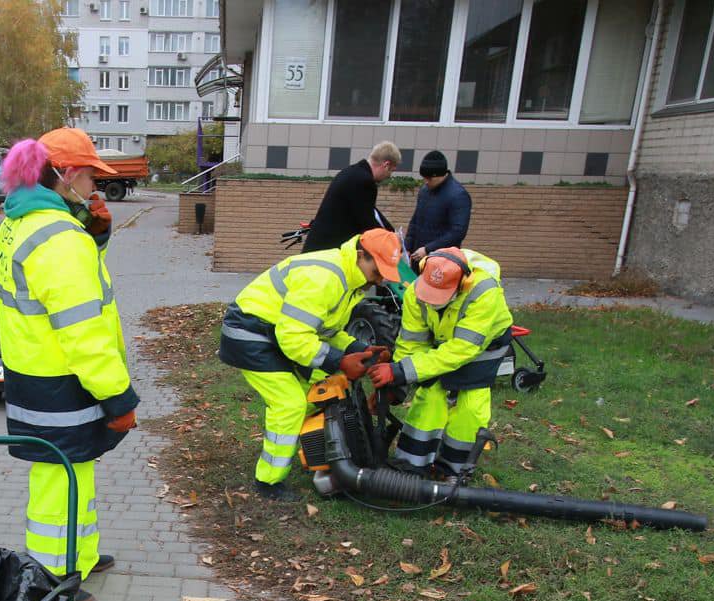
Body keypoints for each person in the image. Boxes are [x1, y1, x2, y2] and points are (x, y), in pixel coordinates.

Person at [0, 128, 138, 601]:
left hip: (34, 369)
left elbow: (56, 287)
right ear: (68, 174)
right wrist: (117, 396)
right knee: (59, 479)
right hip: (65, 376)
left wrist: (95, 234)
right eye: (92, 176)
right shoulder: (59, 238)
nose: (95, 187)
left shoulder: (21, 220)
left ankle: (80, 555)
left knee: (76, 470)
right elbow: (83, 330)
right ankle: (51, 580)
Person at [218, 229, 403, 501]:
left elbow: (325, 329)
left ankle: (317, 453)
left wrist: (358, 349)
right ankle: (268, 482)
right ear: (361, 256)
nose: (381, 278)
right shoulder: (325, 278)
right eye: (378, 270)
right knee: (289, 403)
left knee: (316, 390)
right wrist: (339, 360)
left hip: (274, 333)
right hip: (250, 334)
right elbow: (293, 336)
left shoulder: (350, 282)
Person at [367, 246, 512, 481]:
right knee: (430, 395)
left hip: (483, 347)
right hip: (443, 342)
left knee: (470, 405)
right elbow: (411, 343)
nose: (432, 302)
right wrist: (397, 384)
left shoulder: (484, 292)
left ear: (461, 285)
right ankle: (412, 463)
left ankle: (454, 470)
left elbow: (461, 350)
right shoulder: (416, 291)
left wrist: (401, 371)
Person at [302, 142, 400, 253]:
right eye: (391, 171)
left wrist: (389, 232)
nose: (389, 176)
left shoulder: (350, 172)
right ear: (386, 165)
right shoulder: (364, 182)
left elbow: (371, 211)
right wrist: (389, 239)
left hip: (319, 247)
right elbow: (367, 222)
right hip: (329, 252)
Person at [405, 150, 472, 270]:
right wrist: (407, 246)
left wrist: (428, 249)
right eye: (424, 178)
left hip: (441, 262)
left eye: (429, 179)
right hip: (418, 258)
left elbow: (457, 232)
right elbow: (415, 220)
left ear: (441, 175)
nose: (426, 182)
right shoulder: (424, 191)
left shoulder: (458, 195)